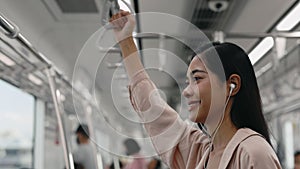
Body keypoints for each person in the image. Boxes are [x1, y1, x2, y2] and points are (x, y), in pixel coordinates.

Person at [109, 11, 282, 168]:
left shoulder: (253, 153)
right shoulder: (202, 152)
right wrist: (126, 42)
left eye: (198, 79)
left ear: (233, 85)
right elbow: (155, 112)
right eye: (187, 82)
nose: (186, 91)